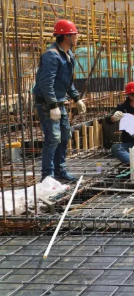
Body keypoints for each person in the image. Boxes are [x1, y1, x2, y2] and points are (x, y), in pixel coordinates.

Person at [33, 20, 86, 182]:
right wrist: (52, 105)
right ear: (66, 36)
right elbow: (45, 83)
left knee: (65, 136)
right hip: (47, 103)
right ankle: (48, 175)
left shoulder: (68, 55)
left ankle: (60, 170)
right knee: (53, 138)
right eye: (74, 35)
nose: (77, 37)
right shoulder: (51, 56)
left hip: (59, 101)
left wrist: (76, 98)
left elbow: (67, 82)